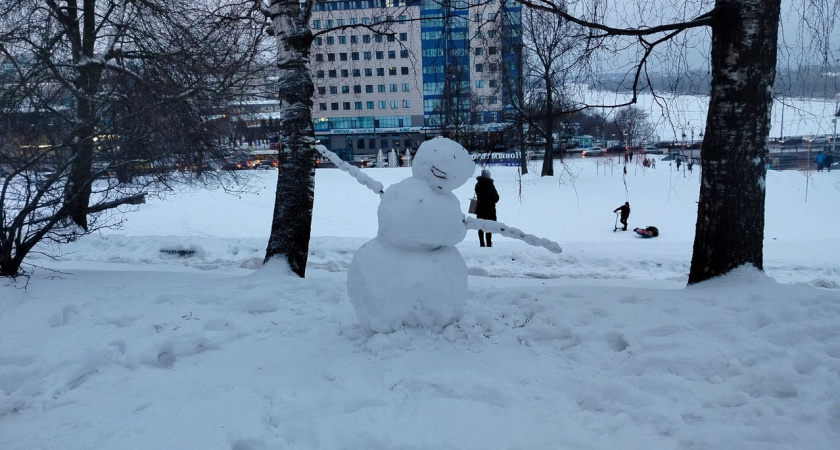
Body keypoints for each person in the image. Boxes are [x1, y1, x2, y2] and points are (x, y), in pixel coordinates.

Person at [474, 168, 499, 247]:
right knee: (489, 225)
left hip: (480, 208)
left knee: (480, 225)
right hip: (489, 209)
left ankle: (481, 243)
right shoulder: (490, 185)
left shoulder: (477, 185)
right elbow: (496, 198)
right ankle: (488, 243)